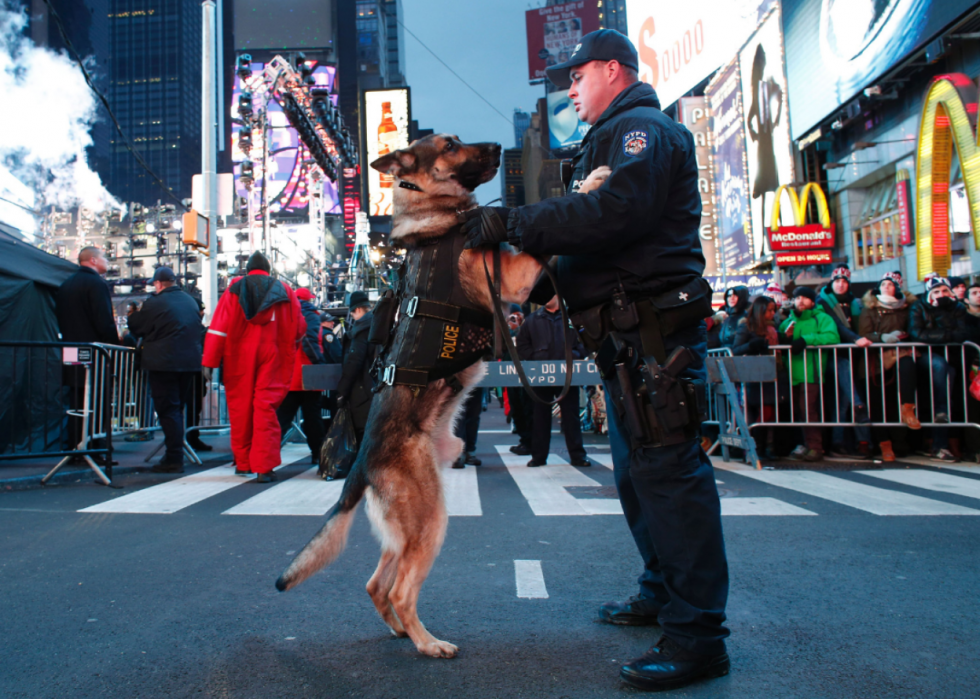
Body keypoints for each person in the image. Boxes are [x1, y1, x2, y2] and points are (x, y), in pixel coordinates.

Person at [459, 29, 730, 690]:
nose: (570, 90)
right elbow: (594, 240)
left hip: (653, 336)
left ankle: (697, 636)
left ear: (614, 69)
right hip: (626, 335)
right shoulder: (608, 138)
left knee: (668, 473)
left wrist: (515, 223)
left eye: (577, 77)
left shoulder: (641, 131)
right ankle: (662, 591)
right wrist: (542, 283)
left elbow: (614, 214)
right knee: (641, 473)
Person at [202, 252, 304, 483]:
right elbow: (299, 328)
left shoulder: (234, 290)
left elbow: (219, 328)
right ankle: (264, 467)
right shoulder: (285, 291)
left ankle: (243, 462)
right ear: (269, 270)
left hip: (239, 355)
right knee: (265, 408)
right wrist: (290, 349)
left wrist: (209, 361)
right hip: (274, 354)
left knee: (240, 409)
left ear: (247, 269)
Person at [127, 267, 204, 473]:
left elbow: (139, 327)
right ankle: (175, 452)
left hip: (164, 362)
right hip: (189, 362)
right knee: (177, 409)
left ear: (159, 284)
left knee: (167, 409)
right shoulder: (189, 301)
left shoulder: (155, 302)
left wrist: (133, 314)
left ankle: (173, 458)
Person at [56, 246, 119, 460]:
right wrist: (113, 347)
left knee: (76, 400)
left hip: (72, 351)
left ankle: (76, 448)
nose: (108, 261)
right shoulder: (96, 284)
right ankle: (95, 448)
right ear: (93, 260)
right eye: (105, 257)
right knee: (97, 400)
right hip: (95, 353)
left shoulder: (66, 285)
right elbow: (104, 322)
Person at [516, 295, 592, 468]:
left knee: (571, 418)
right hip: (541, 376)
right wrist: (536, 358)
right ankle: (539, 457)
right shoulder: (532, 320)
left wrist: (576, 355)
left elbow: (587, 341)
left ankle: (578, 456)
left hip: (566, 375)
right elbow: (521, 345)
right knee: (540, 418)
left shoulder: (572, 317)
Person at [907, 276, 974, 463]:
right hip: (927, 356)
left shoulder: (958, 307)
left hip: (954, 357)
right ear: (929, 293)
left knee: (949, 386)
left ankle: (942, 439)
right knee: (940, 371)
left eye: (945, 291)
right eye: (936, 291)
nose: (941, 295)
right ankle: (938, 440)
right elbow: (917, 333)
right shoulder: (919, 306)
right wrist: (947, 335)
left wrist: (943, 310)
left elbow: (962, 334)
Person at [858, 271, 920, 462]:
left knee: (895, 402)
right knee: (878, 404)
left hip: (899, 356)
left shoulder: (906, 308)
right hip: (874, 362)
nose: (886, 286)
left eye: (890, 284)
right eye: (883, 284)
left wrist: (901, 336)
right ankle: (884, 444)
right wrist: (881, 338)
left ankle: (906, 418)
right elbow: (863, 332)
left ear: (897, 288)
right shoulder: (869, 308)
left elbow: (913, 329)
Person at [816, 265, 872, 459]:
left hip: (852, 357)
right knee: (842, 403)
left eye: (845, 281)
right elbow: (837, 326)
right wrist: (856, 339)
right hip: (832, 357)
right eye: (837, 281)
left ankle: (845, 442)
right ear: (832, 282)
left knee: (843, 402)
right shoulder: (823, 302)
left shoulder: (855, 304)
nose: (841, 285)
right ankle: (858, 410)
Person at [779, 286, 840, 462]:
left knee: (809, 410)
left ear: (812, 301)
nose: (801, 301)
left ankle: (815, 447)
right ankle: (806, 445)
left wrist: (807, 340)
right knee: (800, 410)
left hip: (811, 372)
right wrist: (787, 338)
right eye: (798, 298)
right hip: (792, 373)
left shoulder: (822, 318)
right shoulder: (788, 321)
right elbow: (782, 341)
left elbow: (832, 337)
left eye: (805, 298)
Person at [277, 288, 328, 464]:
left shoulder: (284, 314)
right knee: (313, 418)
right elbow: (309, 341)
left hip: (289, 374)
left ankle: (267, 454)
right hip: (308, 375)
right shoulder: (311, 315)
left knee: (282, 418)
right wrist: (320, 364)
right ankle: (317, 454)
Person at [732, 295, 781, 459]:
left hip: (769, 374)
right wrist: (752, 345)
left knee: (768, 412)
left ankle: (764, 447)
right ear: (761, 310)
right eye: (770, 310)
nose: (773, 314)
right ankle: (754, 448)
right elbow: (736, 349)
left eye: (774, 310)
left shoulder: (773, 327)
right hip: (751, 375)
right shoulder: (746, 326)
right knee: (752, 414)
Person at [336, 290, 377, 447]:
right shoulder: (378, 324)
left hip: (362, 391)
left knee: (362, 434)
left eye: (352, 313)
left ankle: (362, 470)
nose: (352, 317)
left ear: (358, 310)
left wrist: (342, 391)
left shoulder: (361, 329)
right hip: (375, 387)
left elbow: (353, 362)